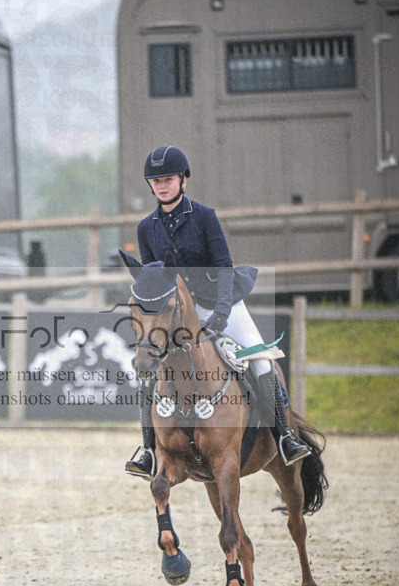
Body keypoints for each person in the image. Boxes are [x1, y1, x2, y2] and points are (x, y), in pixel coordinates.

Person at [125, 144, 311, 479]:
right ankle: (148, 450)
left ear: (183, 180)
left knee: (260, 359)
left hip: (223, 300)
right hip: (178, 311)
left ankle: (284, 435)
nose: (161, 185)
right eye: (155, 181)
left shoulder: (205, 217)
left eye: (167, 179)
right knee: (150, 366)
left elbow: (225, 267)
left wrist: (223, 311)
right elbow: (154, 278)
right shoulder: (145, 228)